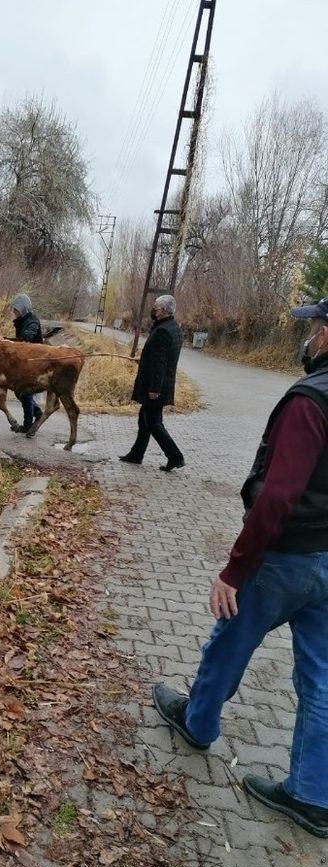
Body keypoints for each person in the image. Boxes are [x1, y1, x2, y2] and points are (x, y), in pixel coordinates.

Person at [152, 296, 328, 838]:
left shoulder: (310, 401)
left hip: (286, 558)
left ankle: (198, 722)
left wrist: (235, 569)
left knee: (229, 640)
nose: (310, 337)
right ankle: (313, 795)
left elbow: (277, 496)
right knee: (322, 676)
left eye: (316, 327)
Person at [120, 293, 185, 472]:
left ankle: (175, 456)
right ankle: (136, 454)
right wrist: (144, 359)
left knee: (154, 423)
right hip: (163, 384)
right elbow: (161, 356)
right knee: (145, 420)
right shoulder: (174, 328)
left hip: (156, 386)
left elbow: (160, 363)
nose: (153, 309)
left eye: (155, 307)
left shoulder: (162, 331)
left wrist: (154, 389)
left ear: (163, 310)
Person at [9, 293, 43, 433]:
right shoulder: (22, 321)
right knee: (18, 392)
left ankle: (27, 425)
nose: (14, 312)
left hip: (35, 363)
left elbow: (26, 339)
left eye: (16, 310)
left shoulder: (33, 321)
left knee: (26, 392)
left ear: (23, 309)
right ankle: (38, 413)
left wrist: (5, 341)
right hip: (26, 363)